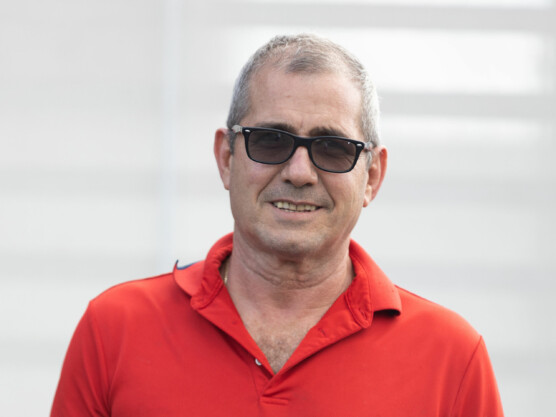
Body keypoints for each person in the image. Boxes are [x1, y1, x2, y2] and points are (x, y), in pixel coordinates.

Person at [51, 34, 504, 416]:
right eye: (270, 140)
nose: (299, 172)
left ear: (371, 177)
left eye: (332, 147)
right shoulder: (114, 330)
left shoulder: (452, 358)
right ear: (226, 159)